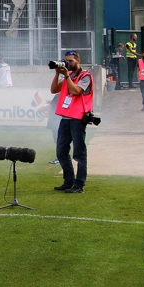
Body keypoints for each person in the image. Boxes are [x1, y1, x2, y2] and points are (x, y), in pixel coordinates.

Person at [51, 50, 94, 193]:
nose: (68, 63)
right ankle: (68, 180)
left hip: (77, 119)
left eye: (71, 61)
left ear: (78, 60)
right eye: (66, 61)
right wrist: (58, 73)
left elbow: (76, 91)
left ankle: (79, 184)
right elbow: (53, 90)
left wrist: (66, 75)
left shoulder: (85, 76)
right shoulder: (68, 76)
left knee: (79, 153)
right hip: (65, 118)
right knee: (61, 151)